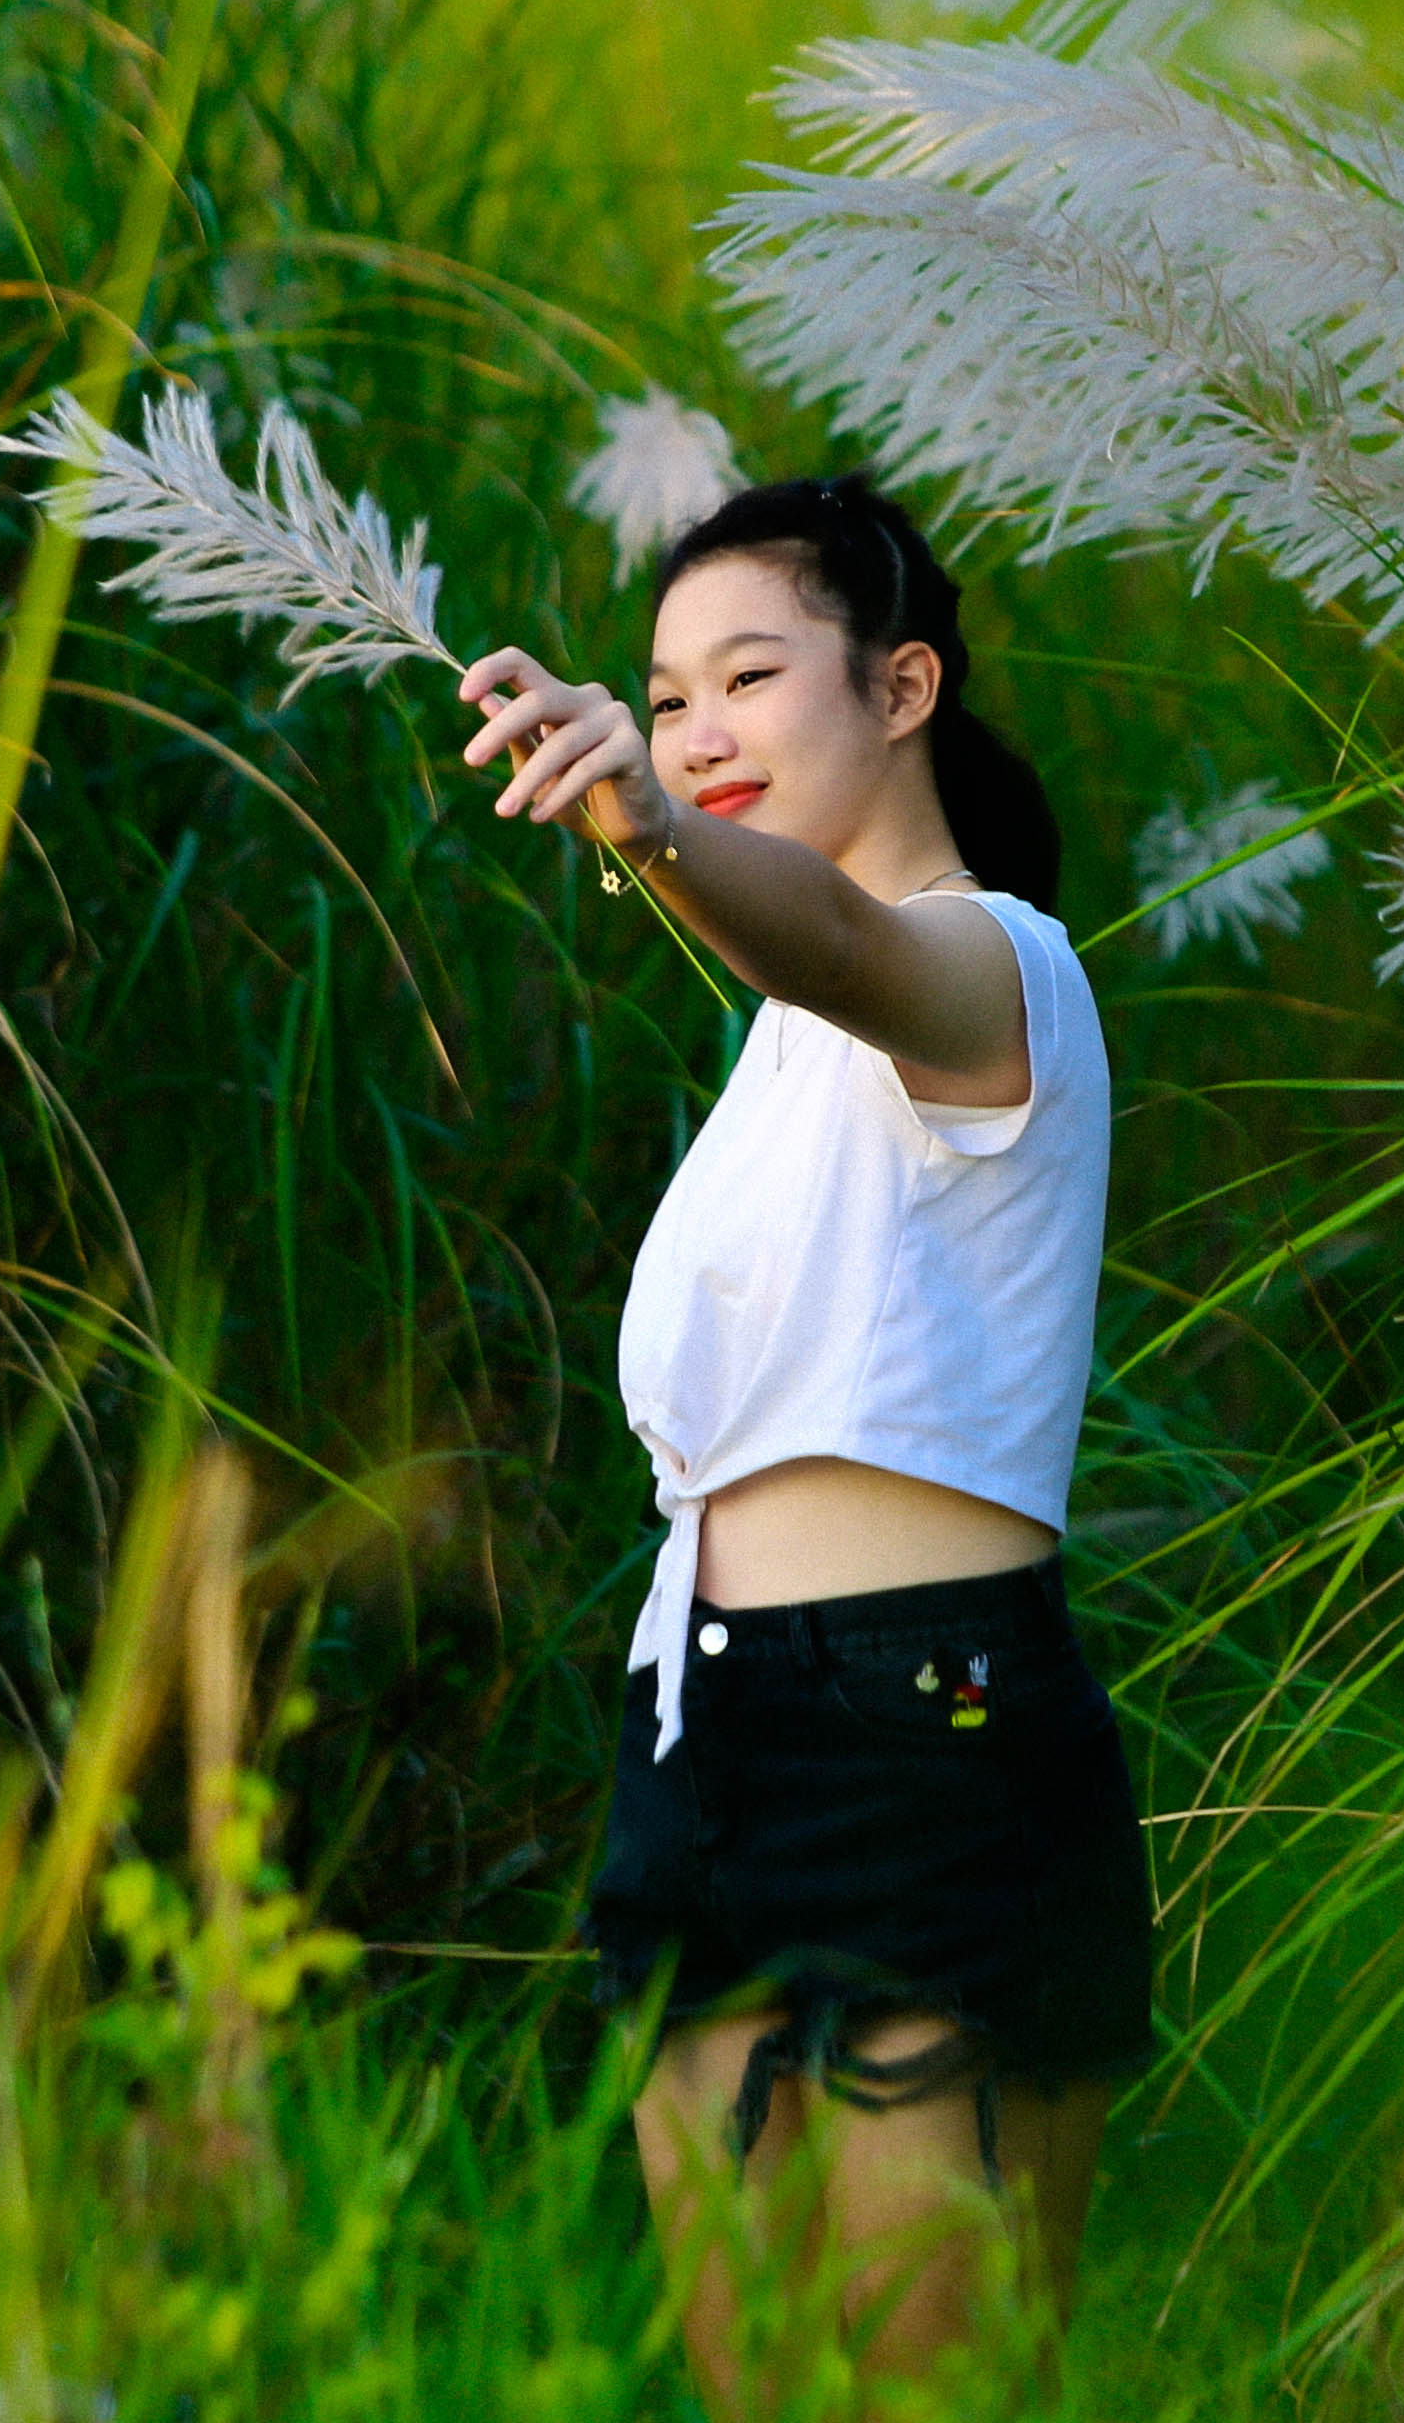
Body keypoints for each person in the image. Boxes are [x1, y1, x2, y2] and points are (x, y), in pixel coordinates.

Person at [454, 476, 1148, 2412]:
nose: (697, 733)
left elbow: (847, 937)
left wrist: (655, 828)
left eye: (749, 676)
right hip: (703, 1738)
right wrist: (677, 837)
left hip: (927, 1741)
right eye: (666, 700)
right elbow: (799, 959)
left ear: (904, 684)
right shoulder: (779, 1048)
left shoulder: (1001, 970)